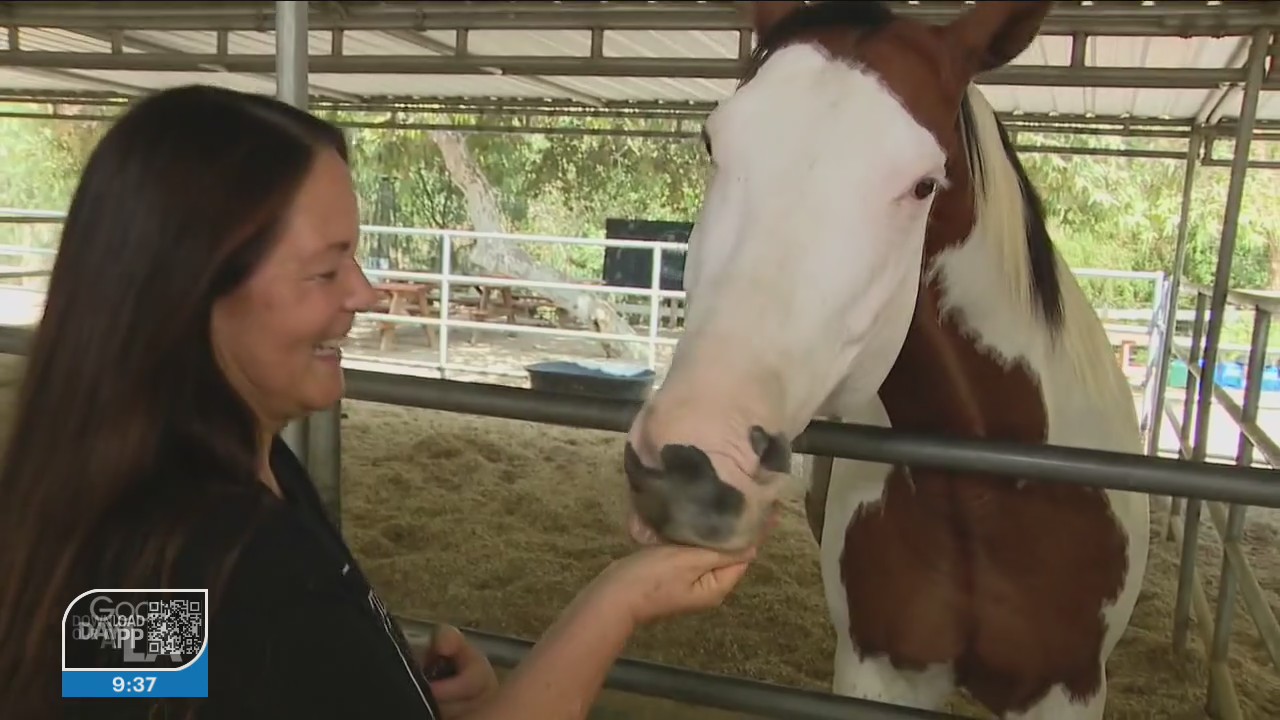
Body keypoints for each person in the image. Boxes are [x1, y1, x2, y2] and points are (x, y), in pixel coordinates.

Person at [0, 84, 764, 720]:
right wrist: (621, 601)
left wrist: (388, 690)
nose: (365, 292)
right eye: (326, 271)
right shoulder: (235, 566)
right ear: (193, 293)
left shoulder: (191, 508)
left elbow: (152, 677)